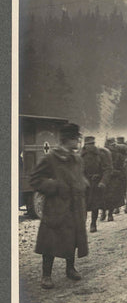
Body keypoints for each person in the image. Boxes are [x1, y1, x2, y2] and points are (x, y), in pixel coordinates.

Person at [30, 123, 89, 289]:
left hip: (75, 206)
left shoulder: (77, 159)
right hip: (56, 207)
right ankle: (46, 275)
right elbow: (35, 179)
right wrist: (55, 186)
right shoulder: (50, 158)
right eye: (76, 138)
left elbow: (80, 177)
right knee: (50, 241)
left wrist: (83, 184)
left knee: (73, 238)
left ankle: (70, 269)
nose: (78, 141)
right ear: (68, 139)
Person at [81, 136, 112, 232]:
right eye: (89, 144)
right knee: (82, 205)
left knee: (95, 205)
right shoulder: (79, 155)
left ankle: (93, 224)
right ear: (85, 145)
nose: (91, 146)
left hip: (96, 182)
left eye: (92, 144)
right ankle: (82, 225)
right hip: (84, 183)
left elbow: (107, 169)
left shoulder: (101, 154)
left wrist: (103, 181)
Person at [104, 137, 127, 216]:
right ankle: (105, 213)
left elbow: (123, 168)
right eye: (111, 145)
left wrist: (118, 173)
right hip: (107, 177)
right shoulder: (104, 155)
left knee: (112, 195)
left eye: (114, 145)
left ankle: (110, 213)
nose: (113, 147)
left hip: (114, 178)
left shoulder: (118, 155)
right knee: (106, 196)